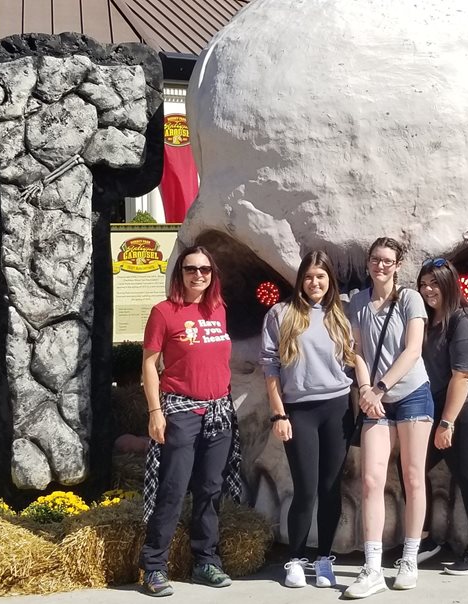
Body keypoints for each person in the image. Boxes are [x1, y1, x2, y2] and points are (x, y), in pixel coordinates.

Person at [139, 245, 241, 596]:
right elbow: (150, 365)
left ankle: (205, 562)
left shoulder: (219, 310)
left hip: (218, 412)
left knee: (210, 489)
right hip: (181, 411)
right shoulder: (164, 312)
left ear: (213, 274)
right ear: (179, 274)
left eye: (205, 269)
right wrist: (155, 411)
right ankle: (154, 566)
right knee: (173, 489)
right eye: (190, 269)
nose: (198, 274)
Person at [344, 237, 434, 599]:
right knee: (371, 480)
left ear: (398, 265)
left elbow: (413, 350)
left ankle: (409, 558)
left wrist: (378, 388)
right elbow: (357, 350)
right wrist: (366, 391)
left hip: (411, 394)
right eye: (376, 259)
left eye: (388, 261)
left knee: (413, 478)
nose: (381, 266)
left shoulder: (410, 299)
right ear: (368, 263)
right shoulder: (359, 303)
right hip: (375, 400)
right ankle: (372, 566)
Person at [259, 251, 355, 589]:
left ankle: (324, 558)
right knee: (305, 490)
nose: (315, 283)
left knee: (331, 489)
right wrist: (279, 413)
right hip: (300, 410)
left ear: (330, 280)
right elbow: (270, 367)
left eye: (322, 277)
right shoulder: (281, 313)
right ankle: (295, 559)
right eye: (310, 277)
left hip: (338, 407)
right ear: (300, 279)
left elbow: (356, 357)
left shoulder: (340, 313)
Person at [416, 258, 468, 575]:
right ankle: (424, 539)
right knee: (412, 467)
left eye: (434, 283)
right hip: (437, 407)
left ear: (450, 282)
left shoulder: (465, 319)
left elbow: (463, 375)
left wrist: (447, 423)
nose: (427, 290)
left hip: (467, 411)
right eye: (423, 284)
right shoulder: (430, 319)